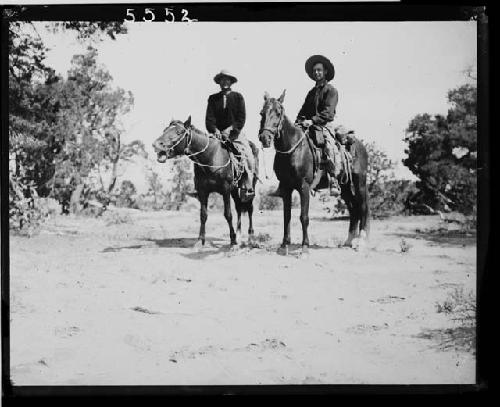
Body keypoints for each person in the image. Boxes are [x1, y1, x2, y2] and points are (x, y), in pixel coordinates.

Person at [269, 54, 342, 197]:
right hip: (307, 126)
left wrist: (313, 120)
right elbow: (303, 111)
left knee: (329, 145)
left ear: (325, 71)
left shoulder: (331, 90)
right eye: (314, 71)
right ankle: (283, 181)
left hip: (324, 125)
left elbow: (328, 112)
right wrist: (298, 122)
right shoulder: (311, 92)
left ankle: (333, 179)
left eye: (319, 70)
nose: (316, 73)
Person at [205, 70, 256, 196]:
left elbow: (241, 118)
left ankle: (248, 186)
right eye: (222, 80)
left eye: (227, 80)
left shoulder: (238, 97)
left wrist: (231, 129)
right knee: (202, 151)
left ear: (231, 82)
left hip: (235, 135)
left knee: (249, 156)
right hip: (217, 135)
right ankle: (200, 186)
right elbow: (209, 119)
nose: (225, 82)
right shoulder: (213, 99)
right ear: (219, 82)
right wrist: (215, 130)